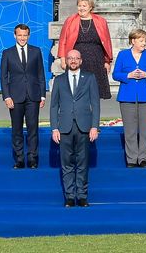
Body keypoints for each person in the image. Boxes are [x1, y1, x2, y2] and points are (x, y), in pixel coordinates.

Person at [49, 48, 101, 207]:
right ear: (66, 61)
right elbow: (53, 106)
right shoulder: (59, 80)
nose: (73, 61)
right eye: (70, 58)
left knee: (83, 163)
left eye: (76, 58)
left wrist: (94, 126)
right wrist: (54, 128)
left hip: (84, 127)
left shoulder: (90, 78)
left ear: (80, 61)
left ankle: (82, 196)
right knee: (67, 164)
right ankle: (70, 197)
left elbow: (95, 104)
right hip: (64, 128)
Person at [1, 23, 48, 169]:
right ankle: (19, 159)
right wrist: (6, 96)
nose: (22, 38)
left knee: (33, 129)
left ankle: (33, 158)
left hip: (33, 96)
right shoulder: (7, 53)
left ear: (28, 35)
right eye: (19, 35)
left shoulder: (36, 51)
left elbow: (41, 74)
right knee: (17, 129)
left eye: (25, 35)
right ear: (15, 35)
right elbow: (4, 77)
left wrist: (43, 95)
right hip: (15, 97)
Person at [113, 28, 146, 167]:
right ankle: (131, 159)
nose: (144, 43)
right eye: (141, 41)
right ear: (133, 41)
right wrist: (127, 75)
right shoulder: (123, 55)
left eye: (145, 41)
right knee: (130, 130)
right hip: (127, 96)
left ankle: (143, 158)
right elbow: (115, 74)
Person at [55, 0, 114, 101]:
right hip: (75, 60)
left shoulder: (101, 21)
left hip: (96, 60)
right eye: (79, 5)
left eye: (84, 6)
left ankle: (94, 116)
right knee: (75, 93)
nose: (81, 8)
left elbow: (107, 42)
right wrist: (63, 60)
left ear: (91, 7)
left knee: (95, 95)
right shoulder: (70, 21)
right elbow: (63, 40)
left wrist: (107, 61)